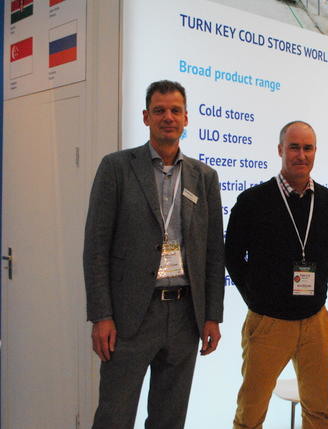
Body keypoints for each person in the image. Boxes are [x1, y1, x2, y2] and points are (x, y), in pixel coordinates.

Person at [83, 80, 225, 429]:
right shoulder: (116, 167)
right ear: (146, 117)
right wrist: (101, 315)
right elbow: (96, 247)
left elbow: (213, 252)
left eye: (176, 110)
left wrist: (212, 316)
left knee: (169, 419)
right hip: (129, 316)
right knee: (114, 417)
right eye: (159, 110)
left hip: (184, 316)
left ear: (186, 118)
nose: (168, 117)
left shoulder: (204, 177)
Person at [225, 120, 328, 429]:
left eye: (308, 148)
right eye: (294, 147)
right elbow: (232, 256)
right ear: (280, 150)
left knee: (319, 411)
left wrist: (316, 287)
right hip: (269, 323)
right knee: (250, 413)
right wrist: (256, 298)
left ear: (315, 152)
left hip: (315, 322)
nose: (301, 155)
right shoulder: (252, 201)